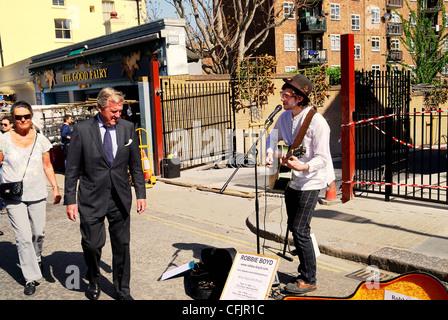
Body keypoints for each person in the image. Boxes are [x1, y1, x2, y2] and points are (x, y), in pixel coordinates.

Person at [64, 87, 146, 300]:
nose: (118, 115)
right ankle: (93, 277)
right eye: (114, 112)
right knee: (92, 244)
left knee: (122, 245)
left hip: (120, 197)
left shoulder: (127, 128)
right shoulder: (82, 130)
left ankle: (122, 289)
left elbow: (135, 164)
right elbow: (72, 168)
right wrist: (70, 200)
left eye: (120, 110)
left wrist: (141, 193)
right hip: (91, 197)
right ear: (100, 108)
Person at [266, 74, 334, 294]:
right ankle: (306, 267)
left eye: (286, 95)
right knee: (297, 229)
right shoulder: (284, 117)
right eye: (282, 94)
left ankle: (309, 279)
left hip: (311, 181)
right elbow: (271, 137)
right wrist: (269, 151)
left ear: (299, 98)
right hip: (288, 178)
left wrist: (304, 167)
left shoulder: (317, 122)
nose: (282, 99)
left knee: (299, 229)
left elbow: (322, 158)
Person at [0, 101, 61, 295]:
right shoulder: (4, 140)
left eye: (26, 116)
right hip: (13, 196)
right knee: (23, 237)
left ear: (31, 117)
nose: (23, 120)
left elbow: (47, 166)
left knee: (38, 233)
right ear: (13, 119)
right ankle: (30, 277)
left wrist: (56, 187)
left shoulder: (41, 139)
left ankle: (37, 257)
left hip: (37, 194)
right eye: (18, 117)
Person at [1, 115, 14, 213]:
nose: (3, 126)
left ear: (11, 125)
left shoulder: (15, 136)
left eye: (5, 124)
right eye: (1, 124)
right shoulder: (2, 136)